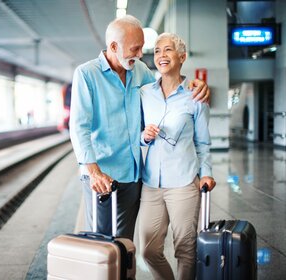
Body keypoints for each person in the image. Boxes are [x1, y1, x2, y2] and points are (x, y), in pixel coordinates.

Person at [69, 15, 209, 240]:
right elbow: (79, 127)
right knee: (102, 243)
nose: (140, 54)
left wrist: (195, 84)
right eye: (135, 48)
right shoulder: (87, 74)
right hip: (102, 176)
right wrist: (93, 172)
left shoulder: (140, 70)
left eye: (142, 48)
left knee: (125, 244)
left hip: (133, 175)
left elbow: (165, 91)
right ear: (114, 46)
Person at [138, 32, 216, 279]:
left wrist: (206, 174)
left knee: (185, 249)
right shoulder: (144, 94)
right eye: (158, 50)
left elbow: (203, 142)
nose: (161, 55)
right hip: (151, 183)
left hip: (183, 182)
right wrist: (144, 136)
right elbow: (137, 134)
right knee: (149, 250)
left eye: (168, 50)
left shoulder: (196, 96)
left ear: (182, 57)